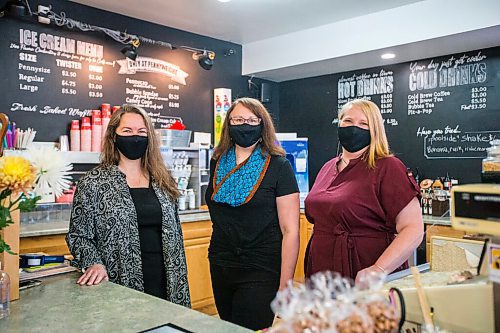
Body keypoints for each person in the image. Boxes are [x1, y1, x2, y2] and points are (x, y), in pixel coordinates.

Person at [66, 105, 190, 307]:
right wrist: (94, 262)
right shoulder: (93, 183)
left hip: (168, 278)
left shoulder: (163, 180)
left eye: (142, 132)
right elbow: (78, 236)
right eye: (127, 131)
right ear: (113, 136)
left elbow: (174, 230)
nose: (135, 137)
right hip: (119, 280)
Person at [304, 99, 423, 284]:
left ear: (374, 129)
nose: (354, 128)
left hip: (365, 273)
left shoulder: (387, 167)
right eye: (348, 121)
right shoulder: (328, 167)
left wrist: (378, 269)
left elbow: (413, 228)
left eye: (363, 123)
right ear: (339, 123)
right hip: (322, 273)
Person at [206, 97, 300, 330]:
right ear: (228, 124)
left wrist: (285, 284)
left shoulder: (279, 165)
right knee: (227, 327)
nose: (244, 125)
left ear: (262, 124)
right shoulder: (217, 161)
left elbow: (290, 231)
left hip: (261, 267)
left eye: (251, 120)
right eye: (238, 119)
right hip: (221, 263)